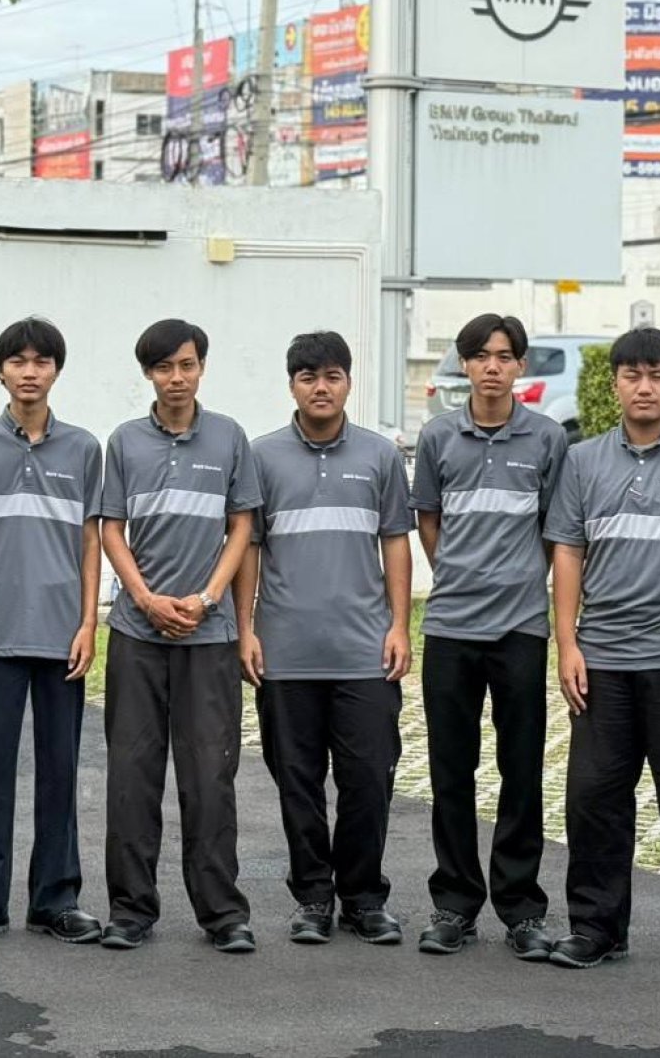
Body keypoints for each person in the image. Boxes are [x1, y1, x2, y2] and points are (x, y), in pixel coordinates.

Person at [543, 328, 660, 985]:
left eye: (656, 374)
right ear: (615, 384)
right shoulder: (582, 460)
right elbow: (568, 551)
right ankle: (596, 928)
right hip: (603, 661)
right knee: (593, 800)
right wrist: (568, 643)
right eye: (632, 375)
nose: (644, 387)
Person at [0, 318, 105, 948]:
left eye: (41, 361)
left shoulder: (84, 448)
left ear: (57, 370)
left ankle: (56, 900)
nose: (29, 372)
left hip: (62, 637)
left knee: (60, 772)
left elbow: (90, 540)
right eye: (17, 361)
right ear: (0, 371)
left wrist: (88, 623)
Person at [240, 331, 414, 947]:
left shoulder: (380, 456)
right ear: (292, 385)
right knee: (298, 783)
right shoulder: (260, 457)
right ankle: (313, 897)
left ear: (348, 383)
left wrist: (400, 625)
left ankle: (364, 898)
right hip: (285, 653)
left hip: (365, 653)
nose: (321, 387)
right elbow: (248, 548)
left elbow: (395, 541)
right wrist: (246, 629)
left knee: (369, 781)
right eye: (309, 376)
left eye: (332, 376)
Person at [100, 319, 262, 954]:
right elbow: (111, 528)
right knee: (132, 776)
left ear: (202, 368)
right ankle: (130, 911)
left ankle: (222, 914)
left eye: (187, 365)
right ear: (148, 373)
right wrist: (145, 598)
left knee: (210, 778)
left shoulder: (228, 437)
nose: (176, 378)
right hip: (137, 635)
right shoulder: (125, 442)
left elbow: (242, 526)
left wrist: (207, 598)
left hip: (208, 634)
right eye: (164, 367)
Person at [410, 313, 567, 962]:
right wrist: (458, 573)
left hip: (521, 627)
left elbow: (556, 530)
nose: (493, 366)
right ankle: (454, 903)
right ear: (465, 365)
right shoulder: (438, 436)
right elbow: (428, 520)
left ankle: (522, 908)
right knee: (451, 770)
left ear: (520, 365)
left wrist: (521, 581)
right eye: (480, 355)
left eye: (504, 355)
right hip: (451, 626)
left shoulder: (548, 438)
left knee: (521, 769)